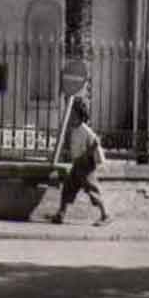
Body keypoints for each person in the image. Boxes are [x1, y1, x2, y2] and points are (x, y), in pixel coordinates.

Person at [52, 96, 110, 226]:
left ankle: (105, 214)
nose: (70, 116)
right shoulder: (73, 128)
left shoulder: (85, 130)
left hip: (86, 165)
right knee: (68, 187)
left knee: (92, 190)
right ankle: (61, 213)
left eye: (72, 114)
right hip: (77, 164)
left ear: (79, 115)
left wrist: (88, 155)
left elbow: (95, 143)